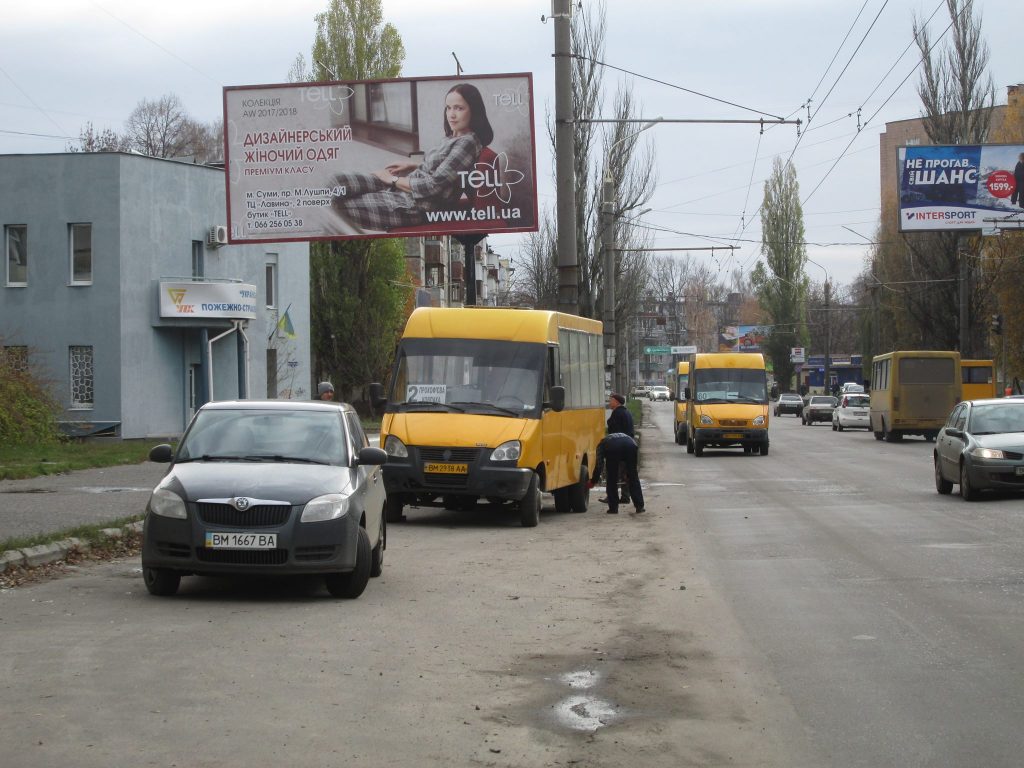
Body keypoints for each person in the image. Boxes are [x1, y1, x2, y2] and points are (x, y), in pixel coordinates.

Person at [331, 83, 495, 231]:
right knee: (336, 182)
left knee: (337, 208)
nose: (451, 114)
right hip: (404, 189)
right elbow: (445, 171)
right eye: (448, 108)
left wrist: (391, 180)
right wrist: (412, 165)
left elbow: (434, 185)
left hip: (415, 206)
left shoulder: (467, 143)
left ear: (474, 111)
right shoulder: (452, 138)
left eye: (459, 108)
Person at [591, 432, 645, 515]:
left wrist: (594, 480)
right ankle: (639, 506)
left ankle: (613, 508)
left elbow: (599, 465)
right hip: (631, 445)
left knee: (612, 478)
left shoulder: (601, 445)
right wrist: (628, 474)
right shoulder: (620, 437)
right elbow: (632, 465)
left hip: (613, 449)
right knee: (633, 476)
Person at [601, 393, 634, 505]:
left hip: (617, 448)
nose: (609, 402)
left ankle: (611, 497)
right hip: (628, 447)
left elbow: (614, 431)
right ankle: (625, 496)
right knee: (625, 473)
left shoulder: (617, 413)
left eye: (611, 400)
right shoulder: (627, 412)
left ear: (617, 402)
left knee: (612, 473)